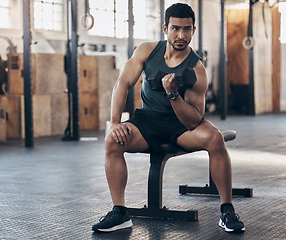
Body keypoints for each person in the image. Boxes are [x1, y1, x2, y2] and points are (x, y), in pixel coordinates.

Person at [92, 3, 245, 233]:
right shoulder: (146, 51)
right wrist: (115, 122)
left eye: (187, 29)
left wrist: (173, 95)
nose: (181, 35)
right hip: (147, 121)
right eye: (175, 28)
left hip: (180, 126)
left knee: (215, 139)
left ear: (193, 30)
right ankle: (120, 212)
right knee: (112, 141)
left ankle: (227, 210)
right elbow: (122, 83)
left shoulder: (197, 70)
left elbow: (193, 120)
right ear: (165, 28)